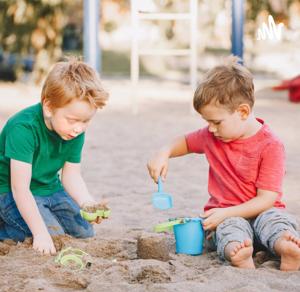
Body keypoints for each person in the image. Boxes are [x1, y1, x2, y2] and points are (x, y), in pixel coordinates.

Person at [147, 56, 300, 271]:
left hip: (261, 212)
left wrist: (227, 212)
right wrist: (164, 152)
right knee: (229, 230)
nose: (210, 128)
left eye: (216, 122)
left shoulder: (270, 145)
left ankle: (286, 248)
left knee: (276, 222)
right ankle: (239, 253)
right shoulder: (212, 136)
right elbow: (184, 142)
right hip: (228, 217)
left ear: (243, 112)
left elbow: (267, 199)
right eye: (207, 122)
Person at [0, 58, 109, 255]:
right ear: (49, 107)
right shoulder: (23, 128)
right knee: (52, 235)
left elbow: (71, 175)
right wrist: (41, 233)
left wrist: (87, 202)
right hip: (10, 192)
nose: (79, 128)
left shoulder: (74, 129)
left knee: (84, 232)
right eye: (73, 120)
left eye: (86, 121)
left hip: (50, 188)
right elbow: (20, 189)